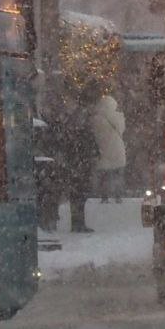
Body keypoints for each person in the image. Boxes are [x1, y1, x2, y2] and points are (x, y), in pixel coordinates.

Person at [58, 90, 99, 233]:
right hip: (79, 160)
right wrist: (93, 152)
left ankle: (77, 222)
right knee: (79, 193)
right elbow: (87, 137)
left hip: (76, 160)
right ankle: (78, 222)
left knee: (78, 193)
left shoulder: (70, 119)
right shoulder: (79, 120)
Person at [91, 91, 127, 203]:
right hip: (117, 149)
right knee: (117, 174)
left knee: (105, 175)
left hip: (103, 150)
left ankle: (104, 196)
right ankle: (118, 195)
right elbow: (122, 130)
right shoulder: (117, 117)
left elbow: (95, 135)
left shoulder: (96, 119)